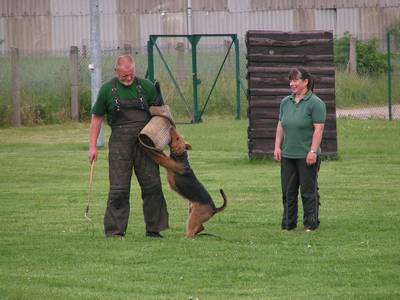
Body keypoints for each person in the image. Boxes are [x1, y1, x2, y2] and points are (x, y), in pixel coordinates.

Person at [89, 54, 168, 238]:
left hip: (145, 143)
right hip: (119, 144)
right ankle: (115, 231)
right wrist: (92, 147)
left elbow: (162, 114)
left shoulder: (147, 87)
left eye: (131, 73)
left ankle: (154, 230)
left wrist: (164, 139)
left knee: (152, 186)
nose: (128, 77)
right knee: (119, 189)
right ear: (116, 71)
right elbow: (97, 119)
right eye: (124, 75)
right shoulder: (107, 90)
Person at [274, 68, 326, 232]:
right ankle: (288, 224)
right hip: (288, 155)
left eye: (296, 80)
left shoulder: (316, 103)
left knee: (307, 191)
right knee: (288, 192)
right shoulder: (285, 102)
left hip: (307, 156)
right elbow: (280, 126)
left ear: (306, 82)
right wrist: (277, 147)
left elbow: (318, 130)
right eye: (291, 80)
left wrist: (312, 151)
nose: (292, 83)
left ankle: (311, 223)